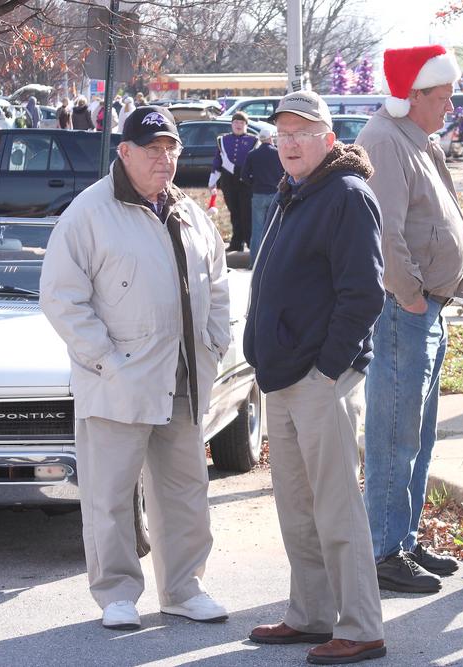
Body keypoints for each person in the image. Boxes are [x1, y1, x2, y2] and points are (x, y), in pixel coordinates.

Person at [39, 106, 231, 630]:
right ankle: (117, 593)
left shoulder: (189, 213)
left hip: (183, 380)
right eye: (152, 150)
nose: (163, 160)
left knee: (185, 492)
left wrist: (214, 341)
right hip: (117, 381)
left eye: (170, 149)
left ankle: (183, 588)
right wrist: (104, 360)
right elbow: (60, 296)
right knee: (110, 493)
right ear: (124, 153)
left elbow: (216, 284)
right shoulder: (89, 212)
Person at [244, 90, 387, 666]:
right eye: (282, 134)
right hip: (282, 376)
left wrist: (329, 369)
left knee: (335, 508)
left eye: (303, 132)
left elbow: (364, 294)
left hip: (319, 378)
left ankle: (361, 626)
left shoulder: (347, 196)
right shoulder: (294, 193)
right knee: (296, 505)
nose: (291, 143)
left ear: (329, 139)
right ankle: (311, 613)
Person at [356, 44, 463, 594]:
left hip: (424, 309)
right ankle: (382, 549)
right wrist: (409, 297)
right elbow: (384, 232)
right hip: (405, 310)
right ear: (414, 95)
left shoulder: (413, 137)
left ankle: (402, 538)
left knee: (417, 436)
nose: (450, 106)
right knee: (393, 436)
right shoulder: (384, 138)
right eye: (443, 97)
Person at [209, 111, 257, 252]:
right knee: (234, 212)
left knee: (246, 213)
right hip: (228, 180)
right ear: (232, 124)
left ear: (246, 125)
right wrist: (212, 182)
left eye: (241, 123)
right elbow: (217, 161)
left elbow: (255, 162)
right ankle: (237, 243)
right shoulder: (223, 140)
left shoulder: (253, 141)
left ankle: (249, 241)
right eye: (236, 122)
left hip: (246, 181)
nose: (238, 125)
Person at [239, 127, 284, 263]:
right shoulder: (278, 153)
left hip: (258, 194)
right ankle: (272, 262)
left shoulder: (253, 154)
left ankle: (255, 262)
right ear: (271, 138)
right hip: (275, 194)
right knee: (274, 229)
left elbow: (244, 176)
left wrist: (253, 183)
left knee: (257, 230)